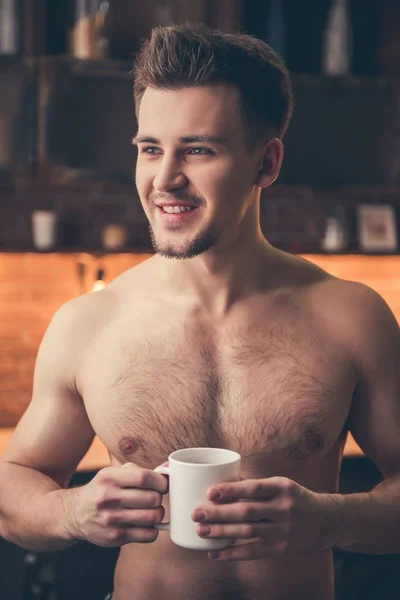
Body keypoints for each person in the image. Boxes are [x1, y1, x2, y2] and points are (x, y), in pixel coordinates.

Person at [1, 23, 400, 600]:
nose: (165, 180)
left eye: (198, 149)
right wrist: (74, 510)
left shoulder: (351, 317)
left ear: (266, 164)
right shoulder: (87, 324)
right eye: (150, 149)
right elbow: (15, 488)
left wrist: (329, 520)